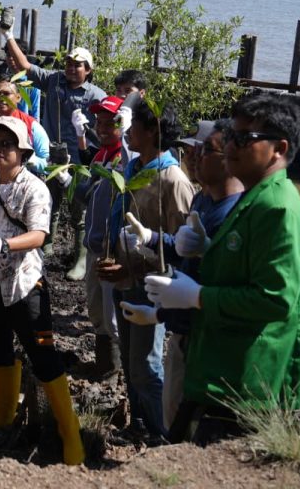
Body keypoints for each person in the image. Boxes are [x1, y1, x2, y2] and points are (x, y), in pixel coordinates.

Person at [146, 94, 300, 444]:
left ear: (278, 149)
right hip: (224, 367)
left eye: (243, 139)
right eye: (231, 137)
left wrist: (197, 297)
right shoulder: (255, 199)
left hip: (252, 377)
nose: (230, 146)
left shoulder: (277, 208)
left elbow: (275, 299)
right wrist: (206, 253)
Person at [0, 116, 84, 466]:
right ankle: (2, 413)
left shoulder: (34, 188)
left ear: (22, 152)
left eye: (7, 145)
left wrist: (1, 245)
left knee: (42, 354)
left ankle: (69, 432)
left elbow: (39, 235)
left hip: (23, 284)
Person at [120, 119, 243, 430]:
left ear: (230, 157)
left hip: (212, 340)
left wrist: (206, 250)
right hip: (184, 331)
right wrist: (151, 239)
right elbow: (182, 250)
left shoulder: (240, 211)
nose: (193, 156)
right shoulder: (202, 198)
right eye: (192, 149)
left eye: (203, 150)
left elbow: (236, 278)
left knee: (194, 422)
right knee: (175, 412)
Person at [112, 101, 195, 442]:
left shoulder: (173, 179)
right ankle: (138, 427)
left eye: (134, 127)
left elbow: (185, 247)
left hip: (153, 286)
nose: (128, 132)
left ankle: (163, 434)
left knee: (146, 366)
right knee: (131, 366)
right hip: (127, 278)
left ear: (151, 132)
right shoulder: (136, 169)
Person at [3, 31, 106, 265]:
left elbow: (105, 131)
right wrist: (9, 35)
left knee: (79, 209)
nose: (71, 68)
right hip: (52, 157)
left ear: (88, 70)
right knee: (50, 202)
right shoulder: (53, 80)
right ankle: (45, 248)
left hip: (79, 161)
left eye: (77, 65)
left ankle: (80, 257)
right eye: (69, 63)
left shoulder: (97, 96)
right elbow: (24, 66)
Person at [68, 95, 130, 380]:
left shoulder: (124, 157)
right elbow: (87, 196)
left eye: (110, 123)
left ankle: (116, 374)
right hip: (94, 246)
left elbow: (132, 180)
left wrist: (127, 139)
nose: (102, 128)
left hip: (112, 248)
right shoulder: (101, 155)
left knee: (113, 316)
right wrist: (65, 179)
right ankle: (104, 366)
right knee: (96, 311)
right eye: (99, 122)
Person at [0, 75, 48, 174]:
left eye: (6, 93)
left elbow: (47, 164)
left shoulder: (32, 126)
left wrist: (27, 158)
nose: (1, 98)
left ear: (18, 97)